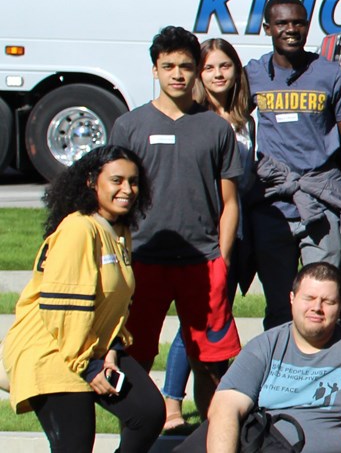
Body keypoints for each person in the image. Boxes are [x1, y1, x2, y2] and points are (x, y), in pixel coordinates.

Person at [109, 26, 241, 415]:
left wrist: (224, 256)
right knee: (135, 358)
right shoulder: (129, 126)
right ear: (155, 70)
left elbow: (229, 201)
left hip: (202, 262)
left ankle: (211, 438)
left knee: (213, 366)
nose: (177, 74)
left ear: (197, 69)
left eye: (186, 66)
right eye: (168, 66)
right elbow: (112, 199)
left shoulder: (215, 128)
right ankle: (137, 436)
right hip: (144, 261)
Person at [4, 146, 163, 453]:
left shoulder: (117, 231)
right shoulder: (79, 229)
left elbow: (113, 306)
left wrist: (112, 351)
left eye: (133, 182)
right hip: (52, 350)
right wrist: (90, 367)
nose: (127, 190)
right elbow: (64, 308)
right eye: (116, 180)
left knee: (148, 412)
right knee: (75, 446)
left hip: (92, 347)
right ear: (92, 181)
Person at [160, 37, 259, 430]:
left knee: (217, 321)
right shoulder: (195, 118)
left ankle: (210, 407)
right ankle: (170, 403)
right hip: (203, 237)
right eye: (209, 67)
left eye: (225, 66)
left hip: (237, 232)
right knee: (194, 323)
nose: (218, 74)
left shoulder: (246, 120)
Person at [245, 0, 341, 330]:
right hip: (273, 204)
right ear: (268, 27)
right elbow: (230, 120)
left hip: (320, 198)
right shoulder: (252, 74)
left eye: (298, 22)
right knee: (280, 303)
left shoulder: (330, 74)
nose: (291, 29)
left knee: (323, 299)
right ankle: (279, 373)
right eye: (282, 23)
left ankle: (324, 369)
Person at [186, 263, 341, 453]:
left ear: (340, 306)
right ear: (292, 298)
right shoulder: (265, 346)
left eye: (328, 301)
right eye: (309, 298)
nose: (317, 307)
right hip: (264, 443)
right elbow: (225, 407)